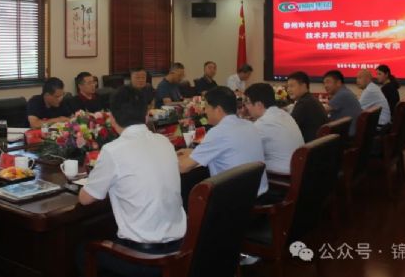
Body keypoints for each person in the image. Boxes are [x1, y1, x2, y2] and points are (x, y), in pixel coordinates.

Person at [79, 86, 186, 277]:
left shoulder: (113, 150)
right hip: (179, 250)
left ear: (112, 118)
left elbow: (85, 199)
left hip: (143, 259)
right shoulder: (164, 141)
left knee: (81, 252)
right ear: (146, 115)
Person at [177, 86, 268, 196]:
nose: (205, 111)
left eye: (206, 107)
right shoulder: (249, 125)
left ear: (218, 110)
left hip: (235, 200)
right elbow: (227, 150)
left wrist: (169, 157)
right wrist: (192, 152)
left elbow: (183, 167)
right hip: (258, 192)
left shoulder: (218, 132)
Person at [244, 83, 304, 175]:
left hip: (283, 176)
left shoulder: (264, 123)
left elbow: (245, 150)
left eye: (247, 102)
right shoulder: (284, 114)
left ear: (259, 105)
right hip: (299, 170)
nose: (246, 107)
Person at [287, 71, 329, 142]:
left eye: (292, 86)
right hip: (318, 143)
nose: (288, 90)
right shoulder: (310, 99)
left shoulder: (304, 103)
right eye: (288, 86)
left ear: (303, 86)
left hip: (310, 145)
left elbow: (288, 128)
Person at [322, 70, 362, 137]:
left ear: (338, 83)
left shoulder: (342, 94)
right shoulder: (345, 91)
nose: (325, 86)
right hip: (349, 131)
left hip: (345, 135)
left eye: (328, 82)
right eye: (324, 83)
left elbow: (322, 111)